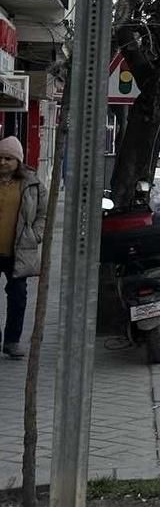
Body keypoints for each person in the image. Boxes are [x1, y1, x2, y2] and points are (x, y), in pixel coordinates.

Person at [0, 136, 43, 361]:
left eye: (8, 158)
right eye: (0, 157)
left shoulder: (31, 183)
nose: (3, 162)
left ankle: (12, 341)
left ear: (18, 160)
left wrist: (35, 235)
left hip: (18, 251)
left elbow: (43, 214)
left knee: (17, 296)